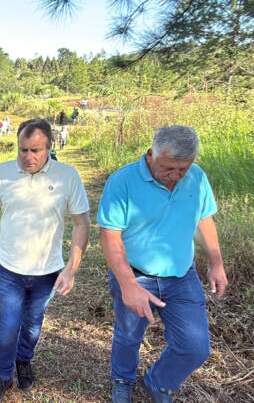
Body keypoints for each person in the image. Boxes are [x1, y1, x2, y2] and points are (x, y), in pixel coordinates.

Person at [97, 125, 228, 403]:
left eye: (183, 169)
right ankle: (122, 379)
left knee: (195, 347)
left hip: (181, 275)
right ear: (150, 155)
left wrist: (216, 263)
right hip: (135, 274)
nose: (176, 176)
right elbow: (110, 237)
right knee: (129, 335)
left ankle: (158, 381)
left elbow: (203, 221)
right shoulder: (123, 182)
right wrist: (129, 286)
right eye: (169, 168)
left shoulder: (196, 178)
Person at [0, 118, 91, 402]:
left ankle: (24, 360)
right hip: (9, 267)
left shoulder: (67, 176)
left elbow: (82, 223)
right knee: (8, 323)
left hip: (48, 271)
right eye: (23, 150)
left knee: (32, 323)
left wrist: (72, 267)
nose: (28, 157)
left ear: (49, 148)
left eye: (36, 151)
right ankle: (3, 374)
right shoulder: (2, 173)